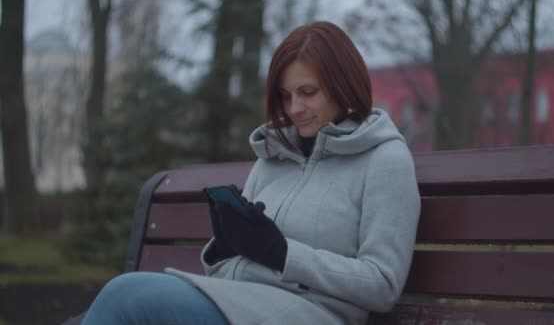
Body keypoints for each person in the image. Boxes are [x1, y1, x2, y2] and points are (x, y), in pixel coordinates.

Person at [82, 21, 421, 325]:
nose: (294, 109)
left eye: (308, 93)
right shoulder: (273, 158)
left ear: (344, 85)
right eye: (286, 96)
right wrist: (228, 245)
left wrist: (284, 254)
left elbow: (383, 284)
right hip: (242, 304)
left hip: (310, 314)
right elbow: (237, 269)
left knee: (125, 297)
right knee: (125, 298)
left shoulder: (384, 160)